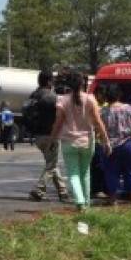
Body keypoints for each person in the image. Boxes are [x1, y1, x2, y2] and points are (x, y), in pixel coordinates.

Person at [50, 71, 109, 212]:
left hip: (69, 142)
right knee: (85, 173)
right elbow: (98, 121)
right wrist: (106, 140)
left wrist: (52, 140)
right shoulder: (90, 99)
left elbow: (58, 123)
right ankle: (86, 203)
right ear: (83, 84)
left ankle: (80, 202)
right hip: (87, 141)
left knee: (73, 173)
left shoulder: (62, 100)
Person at [27, 70, 70, 203]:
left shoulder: (33, 95)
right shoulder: (52, 97)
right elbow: (61, 115)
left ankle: (63, 192)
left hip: (37, 136)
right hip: (50, 135)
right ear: (49, 81)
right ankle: (39, 190)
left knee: (52, 163)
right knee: (51, 165)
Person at [101, 85, 131, 205]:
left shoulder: (103, 111)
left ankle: (113, 199)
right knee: (130, 171)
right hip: (128, 144)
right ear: (119, 95)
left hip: (110, 146)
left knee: (111, 172)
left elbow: (98, 129)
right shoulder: (129, 109)